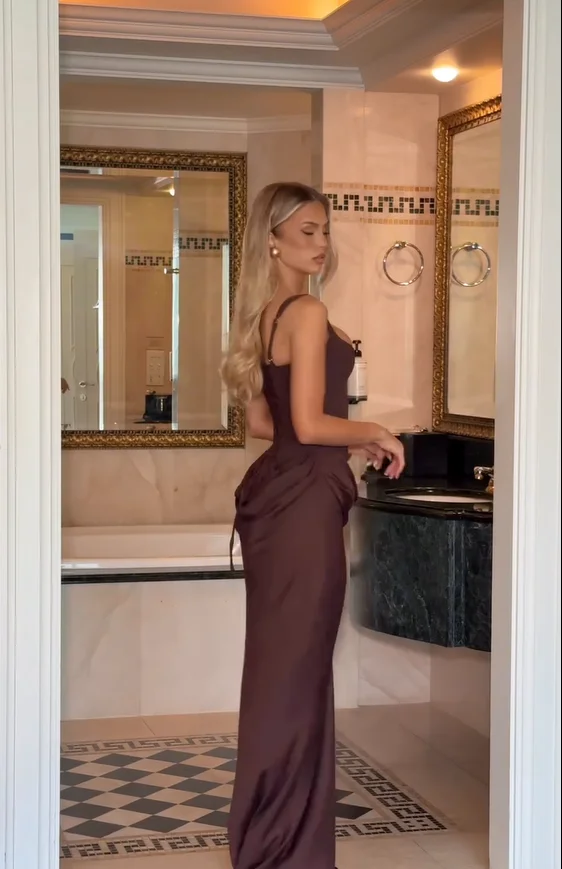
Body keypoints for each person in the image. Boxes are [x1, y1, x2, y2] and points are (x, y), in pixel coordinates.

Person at [221, 182, 405, 869]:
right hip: (300, 509)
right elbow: (304, 423)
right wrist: (373, 430)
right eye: (307, 231)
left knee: (280, 670)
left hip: (284, 497)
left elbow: (264, 422)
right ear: (272, 240)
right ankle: (285, 849)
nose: (322, 243)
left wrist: (346, 443)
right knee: (298, 674)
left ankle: (269, 837)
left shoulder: (267, 314)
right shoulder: (306, 310)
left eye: (325, 230)